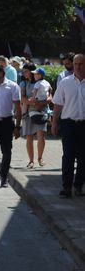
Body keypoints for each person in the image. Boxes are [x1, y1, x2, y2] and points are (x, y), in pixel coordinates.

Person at [51, 53, 85, 198]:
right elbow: (58, 104)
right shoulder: (65, 82)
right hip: (68, 124)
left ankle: (78, 185)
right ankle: (66, 186)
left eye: (80, 64)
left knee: (84, 157)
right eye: (75, 64)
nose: (77, 67)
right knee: (68, 156)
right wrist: (54, 122)